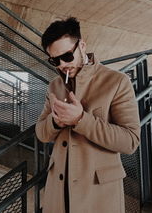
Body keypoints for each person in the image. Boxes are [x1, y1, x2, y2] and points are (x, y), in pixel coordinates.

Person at [35, 17, 140, 213]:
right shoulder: (54, 86)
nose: (62, 65)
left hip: (98, 195)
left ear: (82, 46)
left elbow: (130, 141)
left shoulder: (117, 81)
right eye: (55, 60)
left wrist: (80, 120)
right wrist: (55, 122)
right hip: (58, 192)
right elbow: (41, 133)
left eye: (67, 56)